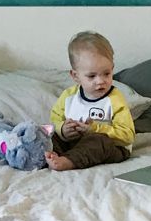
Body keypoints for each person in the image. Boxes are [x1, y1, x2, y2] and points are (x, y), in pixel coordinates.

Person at [46, 31, 135, 171]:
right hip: (74, 144)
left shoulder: (115, 99)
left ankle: (69, 161)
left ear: (112, 69)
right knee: (48, 136)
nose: (100, 81)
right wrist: (62, 129)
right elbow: (54, 120)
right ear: (75, 76)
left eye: (106, 74)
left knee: (98, 141)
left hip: (111, 147)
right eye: (92, 76)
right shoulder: (69, 96)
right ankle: (46, 157)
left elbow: (127, 136)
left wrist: (94, 129)